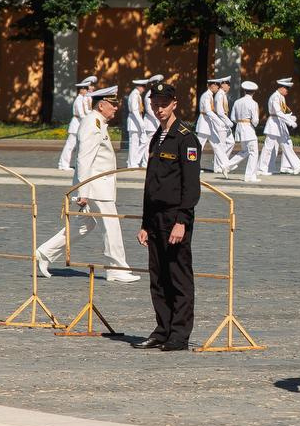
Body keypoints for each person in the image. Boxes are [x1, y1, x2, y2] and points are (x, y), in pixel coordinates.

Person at [36, 86, 137, 281]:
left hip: (97, 185)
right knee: (111, 225)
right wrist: (82, 191)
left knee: (84, 225)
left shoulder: (98, 122)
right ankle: (116, 269)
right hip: (95, 187)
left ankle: (45, 253)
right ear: (101, 105)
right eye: (113, 104)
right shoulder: (92, 123)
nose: (116, 108)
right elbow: (84, 159)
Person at [135, 84, 200, 350]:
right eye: (154, 103)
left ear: (175, 103)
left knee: (178, 276)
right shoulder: (157, 138)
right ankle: (162, 329)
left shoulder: (185, 138)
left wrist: (182, 221)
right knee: (158, 276)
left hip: (175, 217)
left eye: (163, 103)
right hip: (156, 218)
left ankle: (179, 334)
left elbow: (191, 186)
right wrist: (145, 223)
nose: (158, 109)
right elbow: (151, 184)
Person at [56, 74, 97, 172]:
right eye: (86, 89)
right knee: (70, 146)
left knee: (78, 146)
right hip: (76, 124)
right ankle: (63, 164)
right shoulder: (79, 99)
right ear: (81, 90)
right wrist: (88, 123)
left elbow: (87, 112)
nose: (87, 90)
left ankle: (70, 164)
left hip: (80, 124)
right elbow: (81, 114)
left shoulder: (84, 99)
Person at [267, 78, 300, 173]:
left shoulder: (281, 97)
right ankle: (265, 168)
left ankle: (287, 166)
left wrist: (291, 117)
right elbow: (278, 112)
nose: (287, 91)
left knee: (287, 143)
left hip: (279, 123)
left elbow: (285, 111)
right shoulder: (275, 97)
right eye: (286, 88)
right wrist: (290, 121)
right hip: (274, 123)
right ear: (281, 88)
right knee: (271, 147)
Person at [232, 80, 264, 182]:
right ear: (254, 92)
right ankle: (249, 176)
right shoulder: (253, 103)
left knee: (245, 151)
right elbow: (255, 121)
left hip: (239, 127)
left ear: (244, 90)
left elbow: (233, 117)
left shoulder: (237, 102)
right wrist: (255, 123)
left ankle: (226, 165)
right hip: (248, 128)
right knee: (254, 152)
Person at [124, 75, 154, 168]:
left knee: (139, 143)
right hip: (134, 121)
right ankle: (132, 163)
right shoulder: (134, 95)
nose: (144, 89)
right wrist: (141, 123)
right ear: (139, 86)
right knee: (134, 143)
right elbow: (134, 110)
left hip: (136, 121)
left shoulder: (137, 95)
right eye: (143, 87)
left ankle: (134, 162)